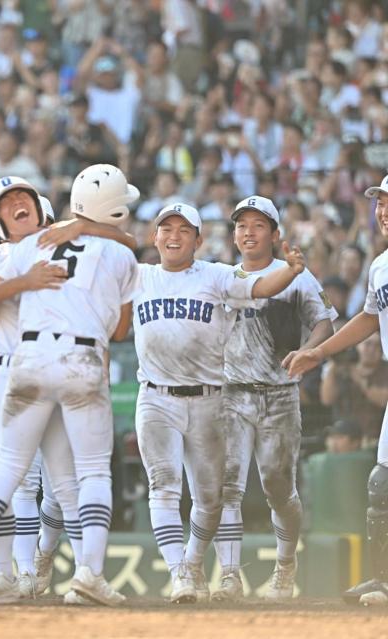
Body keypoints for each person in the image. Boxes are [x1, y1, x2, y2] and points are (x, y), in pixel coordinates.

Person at [0, 165, 141, 607]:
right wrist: (34, 280)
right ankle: (60, 572)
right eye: (7, 204)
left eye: (24, 199)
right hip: (52, 362)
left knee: (28, 475)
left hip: (28, 363)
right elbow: (121, 326)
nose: (18, 205)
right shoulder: (4, 253)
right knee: (77, 473)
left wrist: (75, 230)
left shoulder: (38, 244)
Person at [133, 202, 305, 604]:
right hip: (155, 396)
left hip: (209, 400)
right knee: (163, 486)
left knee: (210, 500)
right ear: (154, 237)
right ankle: (179, 573)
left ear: (198, 240)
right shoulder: (138, 276)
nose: (173, 236)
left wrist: (291, 271)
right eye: (166, 229)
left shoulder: (215, 274)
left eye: (183, 230)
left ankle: (194, 562)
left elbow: (259, 288)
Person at [212, 196, 336, 601]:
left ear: (275, 233)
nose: (248, 232)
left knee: (279, 489)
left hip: (280, 394)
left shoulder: (296, 275)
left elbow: (324, 323)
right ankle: (229, 575)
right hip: (232, 392)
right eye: (241, 225)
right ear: (234, 235)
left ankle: (285, 565)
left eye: (258, 225)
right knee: (226, 486)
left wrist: (308, 351)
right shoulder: (221, 277)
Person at [287, 175, 388, 606]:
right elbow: (369, 318)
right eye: (380, 203)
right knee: (381, 485)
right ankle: (384, 581)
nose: (383, 211)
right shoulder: (380, 265)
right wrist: (320, 352)